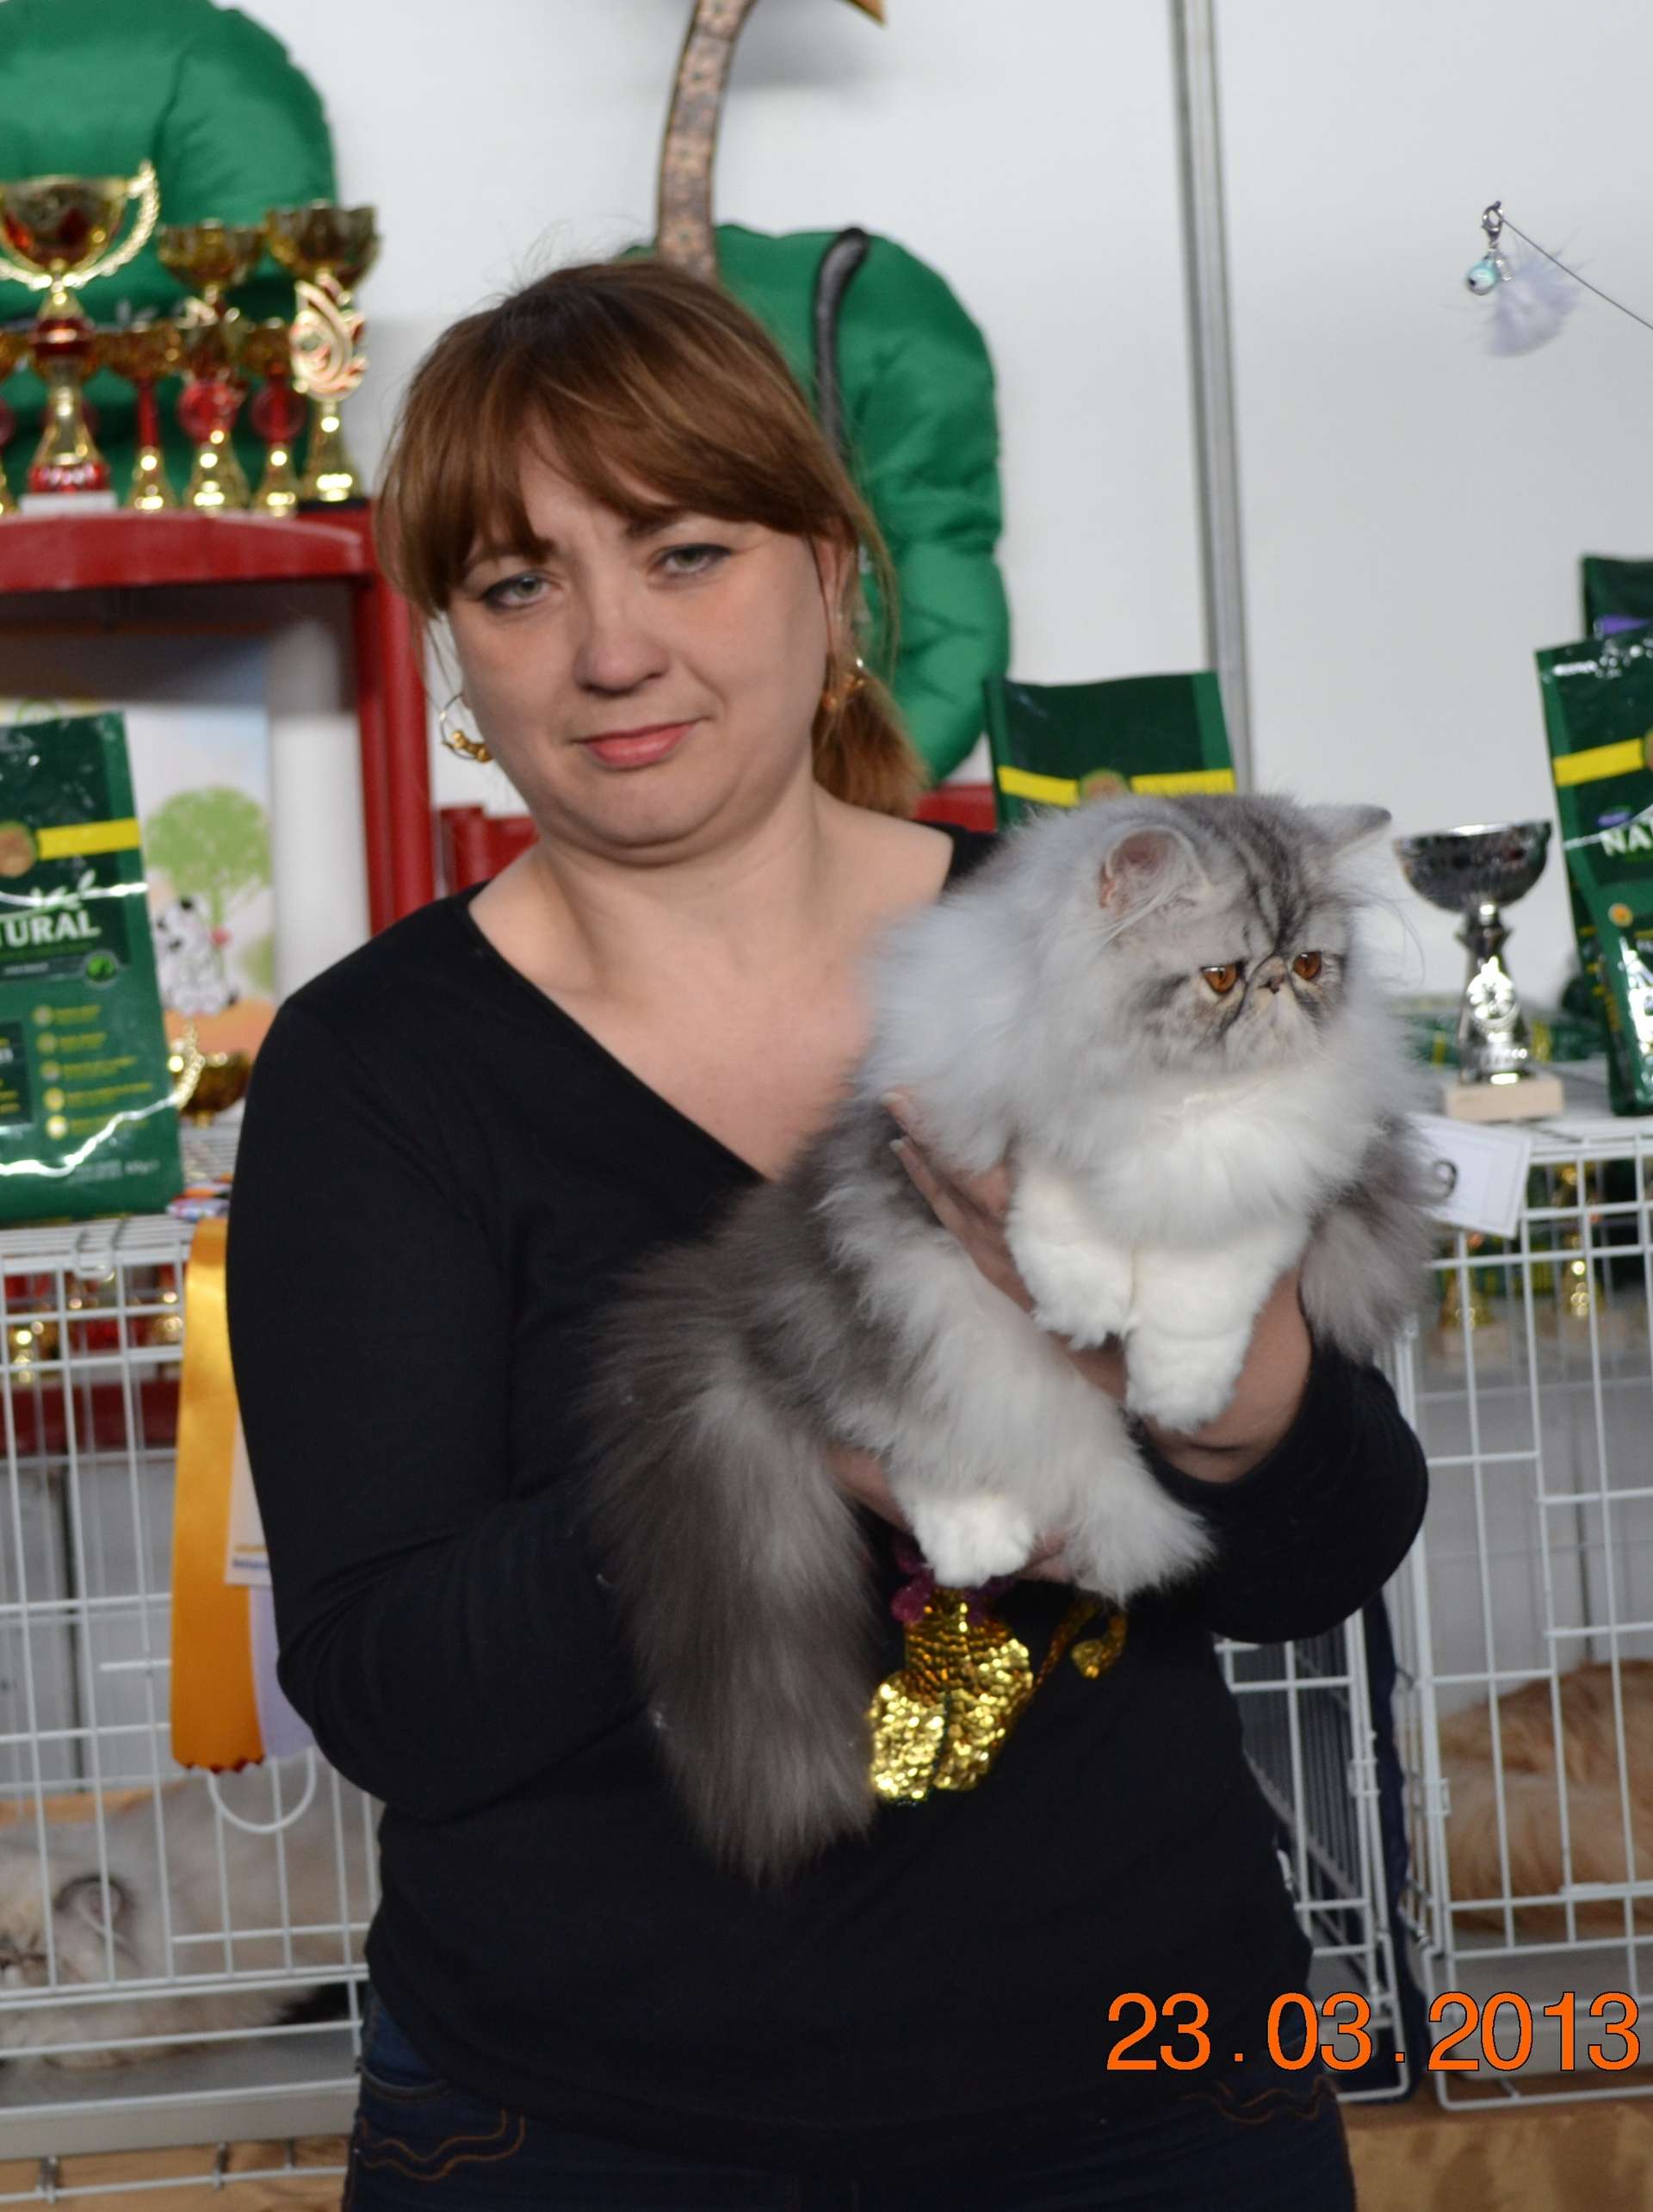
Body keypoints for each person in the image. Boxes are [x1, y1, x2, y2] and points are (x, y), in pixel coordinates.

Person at [226, 257, 1426, 2210]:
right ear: (453, 651)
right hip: (591, 2137)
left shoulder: (1100, 941)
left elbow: (1323, 1557)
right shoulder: (378, 1070)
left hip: (1156, 2091)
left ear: (835, 577)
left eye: (686, 553)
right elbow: (393, 1699)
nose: (613, 649)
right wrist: (805, 1426)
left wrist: (1230, 1382)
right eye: (521, 584)